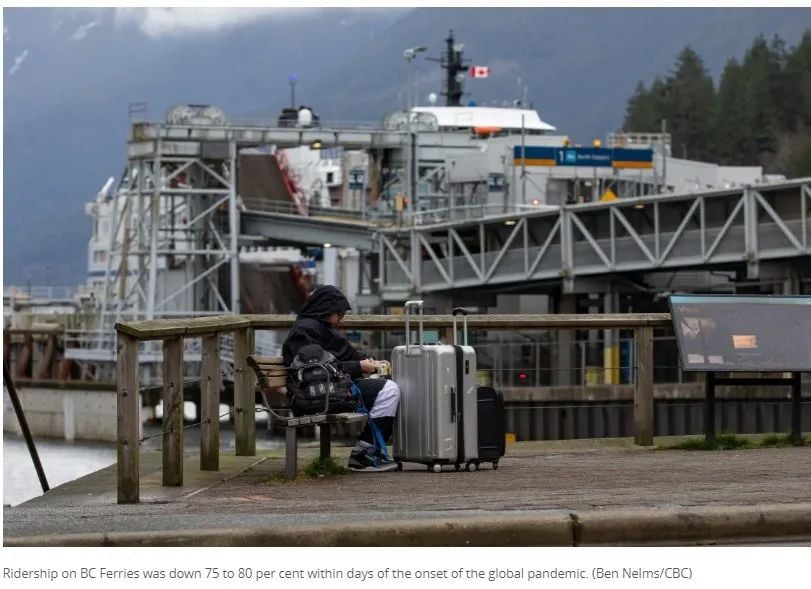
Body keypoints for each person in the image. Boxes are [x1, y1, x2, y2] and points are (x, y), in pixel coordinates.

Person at [282, 285, 400, 472]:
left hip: (331, 389)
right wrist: (360, 366)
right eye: (339, 314)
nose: (341, 320)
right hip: (317, 395)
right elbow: (314, 370)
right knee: (389, 390)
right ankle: (364, 456)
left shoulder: (315, 328)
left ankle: (367, 453)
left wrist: (369, 362)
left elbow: (345, 356)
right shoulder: (305, 331)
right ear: (326, 310)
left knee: (388, 388)